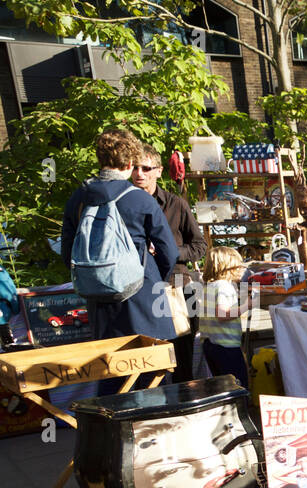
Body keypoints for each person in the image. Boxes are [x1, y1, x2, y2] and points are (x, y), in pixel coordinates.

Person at [60, 129, 178, 358]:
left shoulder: (78, 198)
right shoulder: (140, 198)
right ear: (130, 162)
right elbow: (169, 251)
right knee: (153, 375)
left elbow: (68, 253)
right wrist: (154, 281)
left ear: (100, 159)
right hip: (143, 301)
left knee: (111, 376)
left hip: (99, 303)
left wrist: (95, 278)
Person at [132, 144, 206, 381]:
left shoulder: (176, 205)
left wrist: (170, 251)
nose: (139, 173)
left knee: (182, 354)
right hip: (139, 288)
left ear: (159, 171)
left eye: (146, 167)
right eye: (134, 168)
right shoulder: (124, 206)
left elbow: (199, 246)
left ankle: (185, 410)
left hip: (176, 286)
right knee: (146, 358)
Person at [197, 245, 250, 388]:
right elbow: (222, 314)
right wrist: (247, 306)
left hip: (211, 345)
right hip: (226, 346)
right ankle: (240, 410)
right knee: (238, 386)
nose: (241, 269)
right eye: (238, 266)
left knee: (222, 387)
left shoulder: (209, 286)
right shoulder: (224, 287)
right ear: (227, 268)